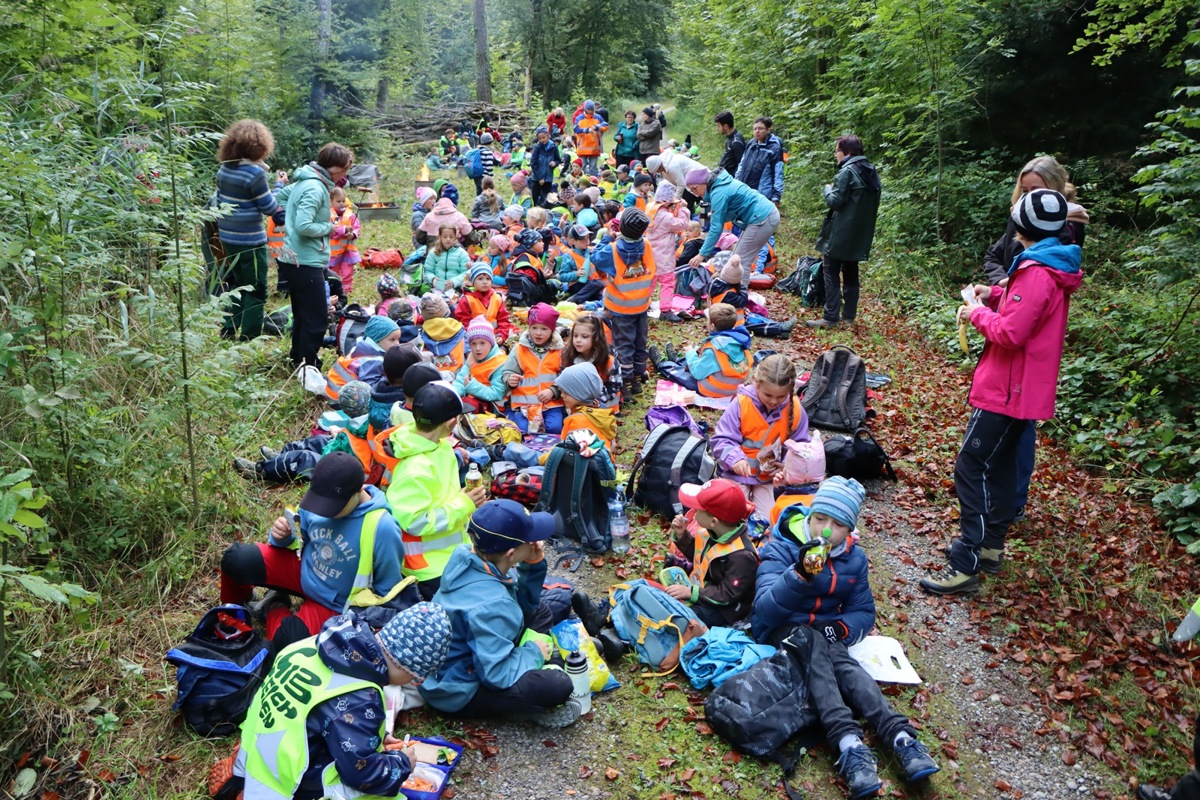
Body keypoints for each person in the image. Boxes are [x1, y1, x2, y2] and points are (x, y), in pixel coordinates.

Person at [920, 188, 1083, 595]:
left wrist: (976, 312)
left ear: (1021, 228)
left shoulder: (1038, 272)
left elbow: (1010, 332)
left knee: (970, 466)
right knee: (1002, 468)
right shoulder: (1046, 264)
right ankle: (991, 548)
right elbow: (1024, 309)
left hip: (1008, 389)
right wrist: (993, 294)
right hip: (1022, 389)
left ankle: (966, 561)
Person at [752, 478, 940, 798]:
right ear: (810, 517)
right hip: (785, 629)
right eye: (820, 519)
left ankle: (900, 737)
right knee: (815, 651)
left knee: (847, 667)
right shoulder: (782, 547)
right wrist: (798, 575)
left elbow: (863, 612)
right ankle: (849, 744)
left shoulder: (854, 558)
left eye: (838, 524)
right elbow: (764, 609)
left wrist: (841, 629)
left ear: (849, 529)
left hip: (825, 633)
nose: (826, 529)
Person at [222, 603, 452, 800]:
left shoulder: (316, 645)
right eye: (416, 677)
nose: (413, 682)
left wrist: (375, 737)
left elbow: (321, 710)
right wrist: (401, 764)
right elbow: (360, 775)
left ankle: (241, 780)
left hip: (260, 750)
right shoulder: (361, 698)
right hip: (290, 781)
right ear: (406, 665)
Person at [980, 156, 1089, 524]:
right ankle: (1000, 501)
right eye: (1025, 190)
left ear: (1056, 190)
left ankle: (1011, 502)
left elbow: (1043, 279)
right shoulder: (1020, 216)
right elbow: (997, 256)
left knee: (1018, 424)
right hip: (1010, 310)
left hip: (1026, 336)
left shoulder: (1064, 228)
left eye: (1037, 190)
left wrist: (1006, 295)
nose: (1028, 197)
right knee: (1003, 422)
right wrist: (1001, 287)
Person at [419, 500, 582, 726]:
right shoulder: (492, 605)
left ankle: (541, 660)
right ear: (511, 553)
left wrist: (533, 566)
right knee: (557, 684)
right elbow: (496, 674)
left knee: (545, 609)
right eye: (530, 539)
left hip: (482, 647)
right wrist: (533, 652)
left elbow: (521, 607)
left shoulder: (469, 555)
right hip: (458, 689)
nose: (537, 541)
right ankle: (520, 707)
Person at [220, 452, 404, 647]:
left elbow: (388, 592)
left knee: (288, 642)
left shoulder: (382, 527)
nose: (323, 511)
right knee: (237, 558)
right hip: (303, 570)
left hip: (334, 604)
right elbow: (297, 538)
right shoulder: (320, 498)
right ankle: (233, 610)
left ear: (358, 491)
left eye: (333, 506)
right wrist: (281, 536)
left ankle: (274, 606)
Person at [386, 381, 484, 600]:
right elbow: (414, 522)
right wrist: (464, 503)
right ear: (451, 423)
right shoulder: (414, 470)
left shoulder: (439, 446)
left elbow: (441, 496)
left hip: (454, 553)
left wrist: (466, 499)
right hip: (429, 569)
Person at [275, 141, 354, 368]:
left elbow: (282, 198)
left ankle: (298, 359)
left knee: (303, 313)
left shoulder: (307, 181)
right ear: (336, 168)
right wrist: (328, 227)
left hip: (296, 256)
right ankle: (308, 364)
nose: (346, 174)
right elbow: (303, 226)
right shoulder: (315, 187)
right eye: (346, 169)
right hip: (305, 258)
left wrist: (292, 215)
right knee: (316, 316)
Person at [711, 354, 809, 516]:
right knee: (731, 516)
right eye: (768, 395)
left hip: (770, 479)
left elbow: (802, 448)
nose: (773, 401)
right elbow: (722, 439)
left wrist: (787, 466)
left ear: (790, 390)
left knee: (770, 520)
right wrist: (735, 459)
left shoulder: (797, 410)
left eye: (780, 396)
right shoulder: (741, 403)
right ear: (756, 383)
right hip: (736, 474)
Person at [214, 119, 281, 340]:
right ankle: (250, 336)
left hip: (228, 237)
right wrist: (279, 190)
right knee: (255, 287)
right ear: (259, 147)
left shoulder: (224, 169)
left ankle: (228, 329)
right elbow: (268, 206)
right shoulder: (255, 174)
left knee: (235, 285)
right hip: (250, 241)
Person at [234, 380, 376, 483]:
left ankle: (262, 471)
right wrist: (338, 437)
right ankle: (282, 456)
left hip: (350, 472)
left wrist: (337, 438)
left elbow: (334, 451)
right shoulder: (368, 421)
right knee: (320, 440)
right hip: (351, 455)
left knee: (305, 458)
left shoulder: (360, 429)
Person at [808, 134, 882, 329]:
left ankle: (831, 317)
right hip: (860, 233)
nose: (835, 155)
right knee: (851, 271)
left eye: (837, 151)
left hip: (841, 232)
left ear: (846, 152)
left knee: (830, 270)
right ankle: (849, 316)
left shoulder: (847, 172)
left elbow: (835, 201)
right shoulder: (871, 171)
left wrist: (827, 189)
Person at [661, 478, 758, 627]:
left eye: (698, 510)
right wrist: (682, 535)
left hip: (727, 609)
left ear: (713, 521)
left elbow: (726, 595)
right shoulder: (713, 532)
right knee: (664, 594)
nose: (693, 512)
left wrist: (690, 592)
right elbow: (701, 555)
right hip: (704, 587)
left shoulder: (742, 557)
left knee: (685, 619)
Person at [592, 208, 655, 396]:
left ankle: (626, 383)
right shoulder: (647, 245)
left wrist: (607, 238)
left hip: (620, 308)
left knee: (623, 344)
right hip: (642, 305)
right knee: (639, 342)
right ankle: (637, 377)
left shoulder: (612, 250)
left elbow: (595, 257)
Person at [686, 167, 780, 292]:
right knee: (736, 257)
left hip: (762, 218)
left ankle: (739, 301)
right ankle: (733, 295)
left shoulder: (718, 192)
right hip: (761, 216)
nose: (695, 193)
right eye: (692, 191)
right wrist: (715, 216)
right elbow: (733, 211)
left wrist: (702, 254)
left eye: (695, 188)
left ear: (704, 182)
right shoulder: (718, 186)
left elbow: (716, 229)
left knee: (739, 261)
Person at [650, 303, 751, 398]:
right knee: (701, 362)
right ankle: (678, 360)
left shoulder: (715, 348)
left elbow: (697, 373)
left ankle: (663, 364)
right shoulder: (739, 340)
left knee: (680, 374)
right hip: (733, 387)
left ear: (712, 326)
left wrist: (690, 352)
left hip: (714, 388)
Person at [501, 302, 565, 434]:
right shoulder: (519, 349)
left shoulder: (560, 351)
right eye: (534, 327)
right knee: (524, 431)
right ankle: (511, 414)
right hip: (524, 404)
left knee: (554, 428)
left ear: (552, 330)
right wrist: (509, 380)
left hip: (551, 403)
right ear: (528, 327)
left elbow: (566, 377)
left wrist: (553, 391)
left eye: (544, 329)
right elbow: (507, 372)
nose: (538, 333)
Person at [707, 255, 796, 338]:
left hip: (725, 317)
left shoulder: (717, 283)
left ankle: (781, 327)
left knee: (755, 317)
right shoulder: (727, 293)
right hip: (728, 322)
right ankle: (780, 329)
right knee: (754, 326)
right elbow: (743, 300)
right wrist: (742, 287)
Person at [324, 314, 405, 400]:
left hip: (333, 392)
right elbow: (370, 388)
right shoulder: (374, 361)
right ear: (377, 340)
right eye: (392, 339)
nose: (397, 344)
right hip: (342, 400)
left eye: (398, 339)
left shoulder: (360, 348)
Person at [646, 182, 690, 323]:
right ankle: (665, 310)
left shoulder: (650, 209)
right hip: (664, 255)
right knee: (667, 283)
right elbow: (682, 224)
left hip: (650, 254)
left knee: (649, 282)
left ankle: (641, 305)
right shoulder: (666, 217)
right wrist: (683, 209)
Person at [560, 313, 621, 410]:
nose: (578, 340)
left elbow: (614, 387)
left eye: (584, 336)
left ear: (596, 338)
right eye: (575, 336)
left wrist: (589, 398)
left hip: (604, 409)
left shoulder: (609, 361)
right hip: (575, 408)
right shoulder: (568, 358)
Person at [554, 362, 617, 453]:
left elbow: (563, 452)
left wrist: (540, 458)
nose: (562, 395)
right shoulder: (600, 411)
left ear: (581, 393)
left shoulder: (576, 421)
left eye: (566, 392)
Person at [452, 317, 509, 414]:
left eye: (482, 343)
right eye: (473, 344)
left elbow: (497, 393)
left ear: (491, 343)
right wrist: (452, 394)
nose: (477, 348)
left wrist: (472, 386)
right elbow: (461, 379)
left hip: (492, 406)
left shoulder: (500, 363)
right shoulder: (472, 356)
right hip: (472, 396)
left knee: (465, 405)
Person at [454, 262, 514, 341]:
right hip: (474, 338)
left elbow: (503, 320)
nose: (485, 282)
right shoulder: (466, 300)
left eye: (488, 278)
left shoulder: (497, 298)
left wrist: (502, 335)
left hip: (495, 336)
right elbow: (464, 323)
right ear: (472, 282)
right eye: (480, 278)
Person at [734, 116, 784, 204]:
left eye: (760, 128)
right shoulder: (751, 144)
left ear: (768, 130)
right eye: (755, 129)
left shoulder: (774, 148)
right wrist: (736, 182)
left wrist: (776, 197)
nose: (757, 131)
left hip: (762, 195)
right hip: (745, 191)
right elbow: (742, 165)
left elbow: (778, 174)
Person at [417, 294, 467, 378]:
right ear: (446, 310)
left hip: (430, 380)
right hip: (458, 380)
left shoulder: (420, 335)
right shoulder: (460, 331)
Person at [326, 186, 361, 297]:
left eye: (343, 201)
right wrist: (344, 230)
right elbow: (330, 231)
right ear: (331, 201)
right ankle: (335, 289)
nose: (342, 204)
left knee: (347, 272)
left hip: (348, 250)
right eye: (338, 201)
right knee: (334, 272)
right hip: (334, 252)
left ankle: (346, 290)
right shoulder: (328, 215)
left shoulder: (350, 214)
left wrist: (353, 234)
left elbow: (357, 227)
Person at [552, 223, 595, 299]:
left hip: (593, 283)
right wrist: (576, 274)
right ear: (573, 241)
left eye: (588, 238)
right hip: (578, 286)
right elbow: (562, 276)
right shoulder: (568, 256)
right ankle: (573, 299)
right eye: (582, 239)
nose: (587, 241)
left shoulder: (592, 251)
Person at [424, 223, 471, 293]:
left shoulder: (462, 253)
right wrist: (433, 279)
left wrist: (454, 282)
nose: (448, 239)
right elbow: (428, 270)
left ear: (455, 237)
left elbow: (466, 272)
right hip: (436, 288)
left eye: (451, 237)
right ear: (440, 237)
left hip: (457, 289)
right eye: (445, 237)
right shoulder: (433, 252)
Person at [528, 126, 561, 207]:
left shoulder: (554, 147)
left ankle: (543, 211)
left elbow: (558, 160)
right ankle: (533, 211)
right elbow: (533, 163)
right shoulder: (537, 147)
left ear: (548, 136)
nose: (542, 140)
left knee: (546, 197)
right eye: (539, 139)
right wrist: (540, 178)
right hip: (537, 178)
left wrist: (555, 163)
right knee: (535, 197)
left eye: (543, 137)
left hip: (548, 177)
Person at [573, 100, 608, 177]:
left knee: (593, 167)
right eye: (589, 109)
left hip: (594, 148)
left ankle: (592, 182)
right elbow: (575, 129)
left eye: (592, 109)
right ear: (585, 109)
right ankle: (582, 182)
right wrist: (586, 130)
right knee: (582, 166)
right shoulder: (579, 118)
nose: (590, 111)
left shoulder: (597, 117)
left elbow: (605, 125)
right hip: (582, 148)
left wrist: (597, 127)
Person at [714, 111, 746, 177]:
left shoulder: (736, 141)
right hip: (723, 174)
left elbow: (741, 164)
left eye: (718, 126)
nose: (717, 129)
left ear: (725, 126)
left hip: (730, 178)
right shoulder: (730, 138)